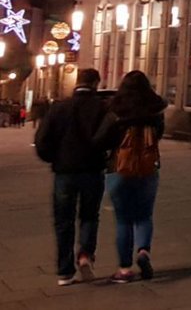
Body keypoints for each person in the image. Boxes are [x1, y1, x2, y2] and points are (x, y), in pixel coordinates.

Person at [34, 68, 108, 286]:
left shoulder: (59, 107)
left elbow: (42, 140)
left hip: (65, 171)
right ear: (96, 83)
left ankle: (65, 272)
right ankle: (85, 254)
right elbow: (111, 137)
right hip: (93, 170)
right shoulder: (101, 108)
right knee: (89, 215)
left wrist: (54, 158)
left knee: (63, 220)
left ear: (77, 82)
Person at [92, 71, 167, 284]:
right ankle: (143, 251)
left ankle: (124, 269)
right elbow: (159, 134)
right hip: (148, 168)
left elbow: (100, 139)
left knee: (123, 219)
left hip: (119, 167)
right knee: (144, 215)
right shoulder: (156, 110)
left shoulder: (115, 110)